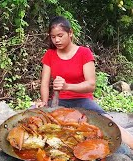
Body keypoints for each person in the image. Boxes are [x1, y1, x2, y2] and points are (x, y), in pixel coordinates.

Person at [37, 16, 133, 150]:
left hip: (83, 101)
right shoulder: (50, 54)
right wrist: (44, 101)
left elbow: (91, 85)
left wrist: (67, 86)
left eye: (60, 35)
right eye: (53, 37)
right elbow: (44, 83)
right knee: (38, 120)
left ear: (70, 33)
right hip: (59, 103)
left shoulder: (84, 53)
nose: (56, 40)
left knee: (109, 124)